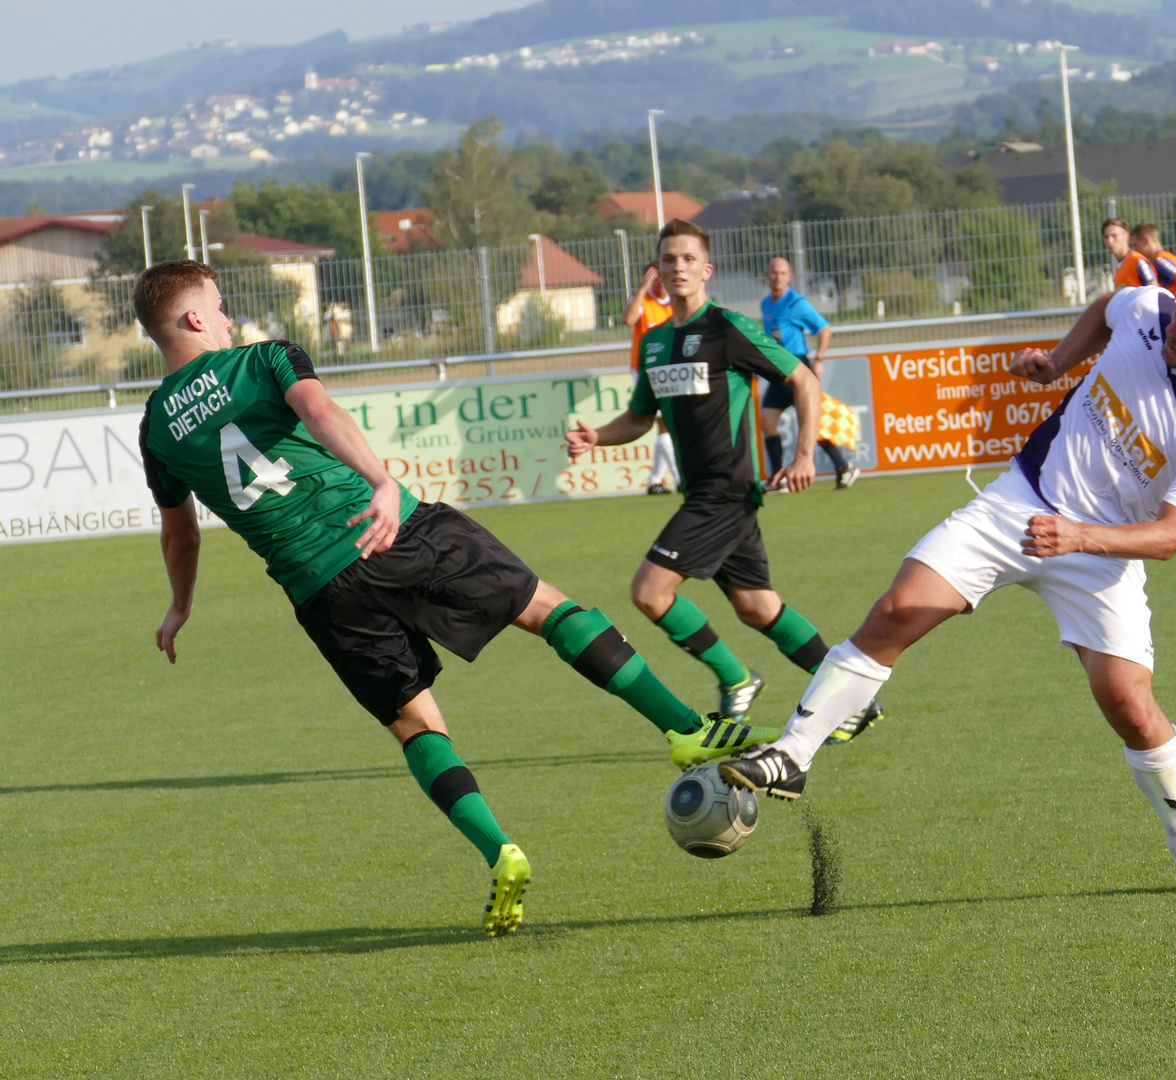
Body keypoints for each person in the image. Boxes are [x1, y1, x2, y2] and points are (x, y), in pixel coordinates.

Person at [134, 260, 776, 937]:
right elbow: (318, 410)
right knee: (548, 611)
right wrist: (380, 480)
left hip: (318, 589)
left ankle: (499, 850)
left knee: (416, 727)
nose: (230, 315)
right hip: (395, 532)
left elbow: (180, 534)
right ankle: (682, 729)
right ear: (197, 318)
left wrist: (180, 607)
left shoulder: (155, 429)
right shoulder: (264, 360)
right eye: (220, 305)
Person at [723, 258, 1176, 892]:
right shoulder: (1152, 309)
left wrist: (1079, 537)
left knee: (1128, 704)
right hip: (1019, 501)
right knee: (897, 610)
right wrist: (1062, 361)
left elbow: (1173, 536)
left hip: (1099, 552)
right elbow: (1106, 308)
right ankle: (792, 756)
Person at [566, 220, 881, 742]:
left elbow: (803, 380)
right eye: (669, 259)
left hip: (726, 490)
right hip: (706, 493)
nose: (678, 267)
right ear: (658, 272)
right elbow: (641, 419)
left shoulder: (727, 328)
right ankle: (854, 701)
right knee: (757, 607)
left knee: (649, 592)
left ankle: (737, 679)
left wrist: (805, 454)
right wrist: (595, 437)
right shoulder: (656, 343)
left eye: (689, 258)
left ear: (706, 269)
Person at [759, 257, 858, 490]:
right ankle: (778, 478)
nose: (777, 277)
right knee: (767, 420)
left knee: (810, 423)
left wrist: (819, 358)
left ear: (790, 276)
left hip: (797, 369)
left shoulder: (796, 303)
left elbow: (824, 328)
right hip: (777, 372)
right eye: (774, 273)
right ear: (767, 275)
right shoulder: (766, 303)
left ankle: (844, 467)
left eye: (782, 273)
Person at [623, 262, 679, 494]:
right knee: (665, 422)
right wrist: (644, 287)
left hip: (671, 370)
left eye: (662, 278)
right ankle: (680, 478)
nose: (659, 284)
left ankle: (655, 481)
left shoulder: (676, 303)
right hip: (645, 371)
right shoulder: (643, 299)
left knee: (666, 424)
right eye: (654, 279)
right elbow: (629, 319)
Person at [1130, 223, 1176, 296]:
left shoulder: (1161, 260)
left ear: (1145, 241)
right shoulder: (1160, 259)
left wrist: (1174, 303)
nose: (1134, 250)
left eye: (1135, 245)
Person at [1104, 218, 1149, 290]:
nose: (1109, 241)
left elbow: (1154, 287)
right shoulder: (1119, 266)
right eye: (1106, 237)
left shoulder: (1137, 260)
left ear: (1126, 236)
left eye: (1114, 236)